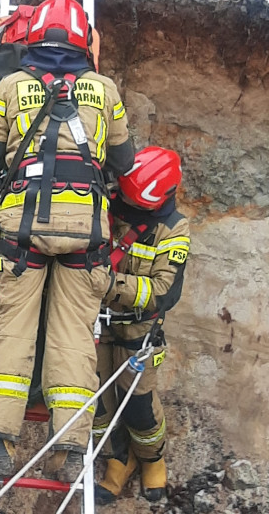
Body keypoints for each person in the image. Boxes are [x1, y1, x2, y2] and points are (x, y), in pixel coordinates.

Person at [0, 0, 134, 484]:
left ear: (31, 39)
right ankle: (72, 451)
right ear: (86, 44)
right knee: (73, 339)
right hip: (87, 236)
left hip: (24, 232)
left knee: (13, 332)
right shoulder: (104, 90)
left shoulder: (11, 87)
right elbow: (124, 166)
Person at [93, 147, 190, 504]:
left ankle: (152, 458)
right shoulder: (110, 201)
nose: (124, 210)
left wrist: (109, 285)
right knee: (97, 404)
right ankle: (118, 458)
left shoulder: (174, 229)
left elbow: (163, 291)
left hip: (138, 332)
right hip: (95, 324)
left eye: (133, 205)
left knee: (138, 406)